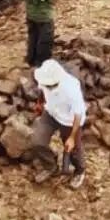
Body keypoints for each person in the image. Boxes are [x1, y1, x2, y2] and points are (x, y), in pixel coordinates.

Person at [31, 59, 88, 189]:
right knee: (37, 141)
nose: (49, 87)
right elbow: (42, 89)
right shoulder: (44, 77)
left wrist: (72, 138)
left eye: (52, 85)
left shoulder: (71, 88)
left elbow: (78, 114)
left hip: (70, 120)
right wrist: (40, 103)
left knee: (73, 149)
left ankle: (80, 171)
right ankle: (51, 166)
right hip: (51, 112)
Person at [22, 0, 72, 68]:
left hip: (31, 15)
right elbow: (54, 0)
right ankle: (41, 65)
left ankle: (30, 61)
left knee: (33, 38)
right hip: (44, 17)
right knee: (44, 43)